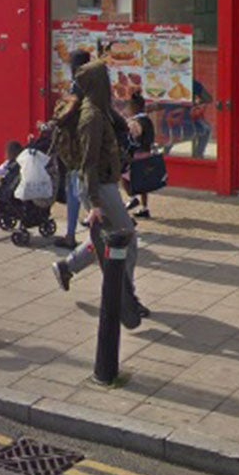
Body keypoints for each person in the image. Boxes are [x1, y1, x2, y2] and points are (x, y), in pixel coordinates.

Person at [50, 59, 149, 328]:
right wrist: (94, 203)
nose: (110, 85)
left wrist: (130, 123)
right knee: (126, 241)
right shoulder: (91, 117)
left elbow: (116, 120)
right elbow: (88, 163)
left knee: (106, 238)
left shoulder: (101, 108)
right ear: (97, 85)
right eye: (106, 80)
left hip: (105, 183)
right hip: (99, 187)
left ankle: (67, 267)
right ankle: (124, 298)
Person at [49, 49, 93, 250]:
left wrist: (57, 118)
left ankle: (71, 234)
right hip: (92, 139)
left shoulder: (79, 85)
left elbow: (70, 111)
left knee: (77, 188)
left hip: (76, 143)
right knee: (86, 186)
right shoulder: (97, 83)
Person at [121, 92, 158, 218]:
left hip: (136, 155)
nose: (128, 109)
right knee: (143, 183)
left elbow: (131, 138)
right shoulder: (148, 120)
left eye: (129, 106)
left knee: (124, 177)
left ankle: (133, 198)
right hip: (146, 153)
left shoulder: (135, 122)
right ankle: (144, 208)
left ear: (135, 107)